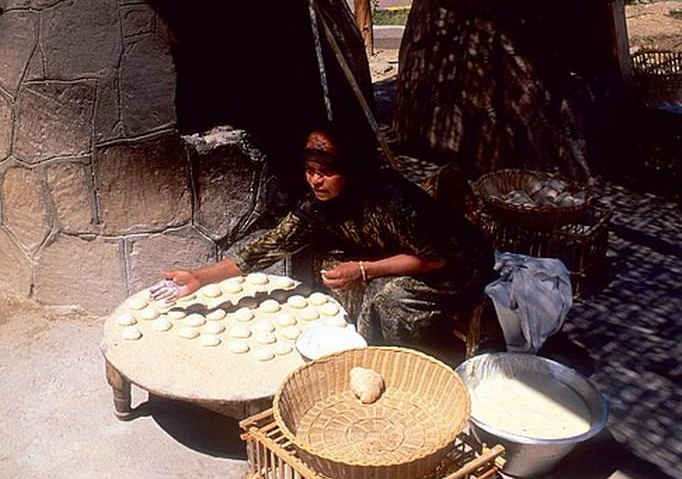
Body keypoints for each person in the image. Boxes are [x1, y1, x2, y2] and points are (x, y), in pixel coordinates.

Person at [150, 125, 495, 349]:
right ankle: (366, 336)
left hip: (458, 262)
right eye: (311, 171)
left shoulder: (391, 199)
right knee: (330, 267)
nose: (316, 181)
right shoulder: (319, 205)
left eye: (327, 172)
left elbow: (433, 257)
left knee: (386, 296)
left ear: (351, 172)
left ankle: (402, 362)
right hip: (403, 254)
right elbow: (268, 247)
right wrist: (198, 278)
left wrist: (363, 270)